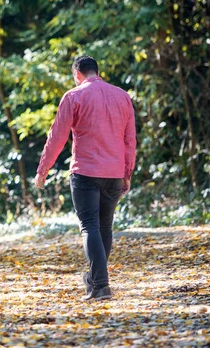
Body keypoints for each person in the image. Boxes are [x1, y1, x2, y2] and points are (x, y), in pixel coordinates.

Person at [35, 55, 136, 300]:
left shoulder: (74, 96)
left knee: (89, 226)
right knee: (104, 226)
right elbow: (129, 140)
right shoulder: (122, 96)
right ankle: (94, 281)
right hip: (113, 172)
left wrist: (43, 170)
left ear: (77, 74)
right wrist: (127, 172)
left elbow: (56, 136)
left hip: (85, 172)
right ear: (97, 71)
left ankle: (100, 285)